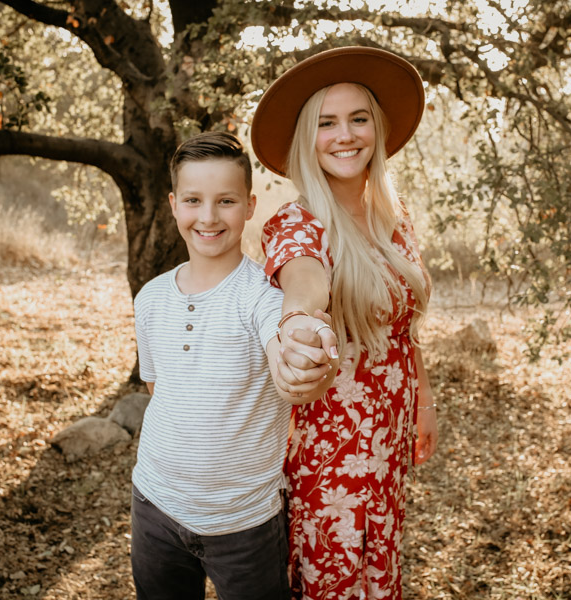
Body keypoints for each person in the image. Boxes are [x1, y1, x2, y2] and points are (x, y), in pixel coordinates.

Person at [251, 46, 440, 598]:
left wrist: (424, 400)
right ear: (307, 139)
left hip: (390, 430)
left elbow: (403, 328)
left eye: (358, 119)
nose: (345, 135)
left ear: (376, 129)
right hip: (331, 445)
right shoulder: (297, 223)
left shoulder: (393, 218)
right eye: (326, 123)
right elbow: (304, 283)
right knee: (333, 575)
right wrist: (298, 321)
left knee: (379, 561)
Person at [130, 131, 336, 600]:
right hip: (154, 506)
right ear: (173, 205)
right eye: (193, 200)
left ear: (249, 206)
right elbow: (158, 390)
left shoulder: (264, 299)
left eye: (225, 201)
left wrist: (304, 360)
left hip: (245, 524)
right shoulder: (150, 298)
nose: (208, 216)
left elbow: (289, 354)